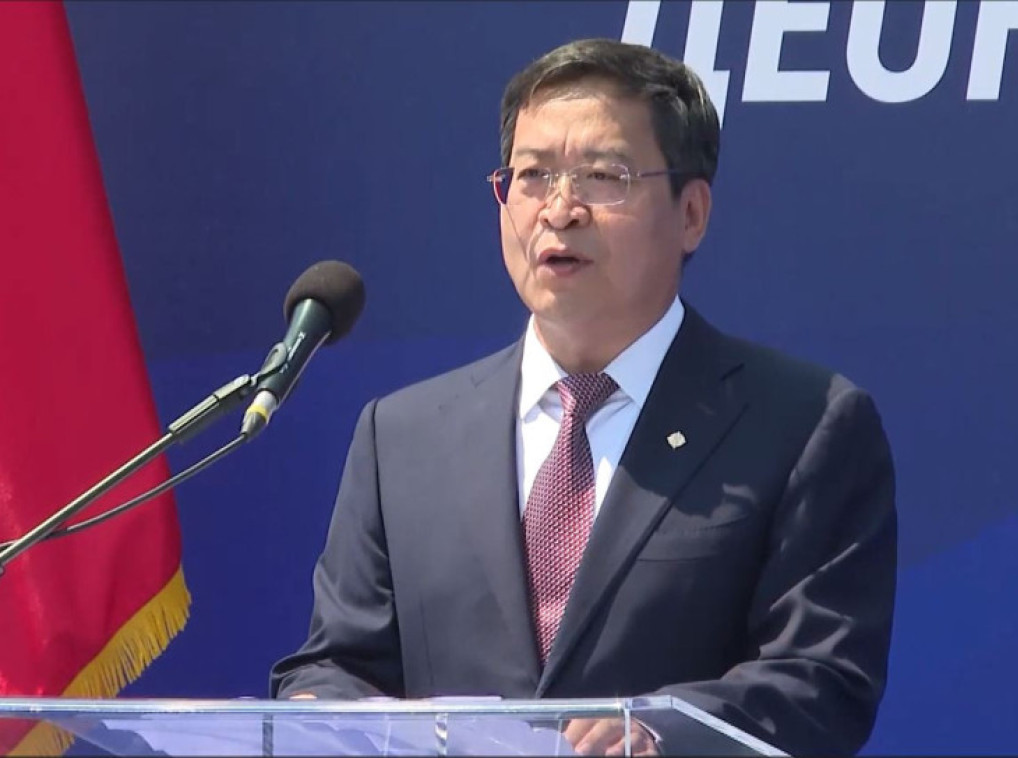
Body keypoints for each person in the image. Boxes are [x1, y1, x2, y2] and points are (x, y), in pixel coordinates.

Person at [270, 38, 896, 757]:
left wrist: (659, 733)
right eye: (532, 175)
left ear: (692, 213)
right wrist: (317, 711)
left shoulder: (804, 425)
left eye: (603, 176)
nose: (559, 210)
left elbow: (820, 681)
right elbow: (339, 662)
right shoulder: (402, 437)